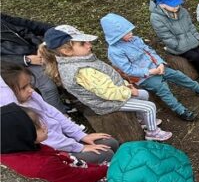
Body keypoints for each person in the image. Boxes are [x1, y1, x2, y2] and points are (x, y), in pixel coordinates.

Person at [38, 25, 172, 141]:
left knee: (143, 94)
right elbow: (108, 93)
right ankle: (153, 133)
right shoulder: (82, 71)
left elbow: (106, 82)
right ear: (66, 51)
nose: (89, 44)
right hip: (106, 102)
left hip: (115, 93)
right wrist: (129, 91)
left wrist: (125, 86)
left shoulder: (80, 59)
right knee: (149, 107)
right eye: (82, 43)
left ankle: (143, 121)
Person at [100, 13, 199, 122]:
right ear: (116, 36)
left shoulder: (134, 39)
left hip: (157, 67)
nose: (131, 33)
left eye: (130, 30)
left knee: (179, 76)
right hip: (144, 77)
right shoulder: (115, 51)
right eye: (127, 33)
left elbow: (149, 51)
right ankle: (181, 111)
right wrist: (151, 71)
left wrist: (160, 63)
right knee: (163, 89)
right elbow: (128, 70)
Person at [1, 64, 119, 164]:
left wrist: (81, 135)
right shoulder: (16, 117)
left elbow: (55, 113)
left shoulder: (31, 96)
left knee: (110, 142)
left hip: (66, 141)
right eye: (24, 87)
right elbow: (48, 139)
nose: (31, 89)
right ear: (7, 93)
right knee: (105, 154)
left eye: (29, 84)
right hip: (57, 152)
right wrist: (80, 147)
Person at [0, 103, 109, 182]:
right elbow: (79, 178)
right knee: (119, 174)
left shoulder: (17, 149)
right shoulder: (42, 165)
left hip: (74, 173)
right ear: (22, 135)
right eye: (37, 126)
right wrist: (106, 169)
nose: (44, 126)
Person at [149, 0, 199, 83]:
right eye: (173, 5)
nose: (176, 6)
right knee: (194, 57)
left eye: (177, 4)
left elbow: (190, 26)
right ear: (162, 4)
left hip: (190, 40)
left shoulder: (182, 11)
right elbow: (165, 35)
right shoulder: (156, 17)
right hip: (178, 45)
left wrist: (196, 37)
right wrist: (176, 45)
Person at [1, 13, 66, 113]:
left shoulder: (2, 19)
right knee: (48, 86)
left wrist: (55, 32)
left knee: (63, 55)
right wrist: (26, 60)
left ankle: (69, 100)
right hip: (13, 64)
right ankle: (60, 115)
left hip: (31, 50)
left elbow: (25, 26)